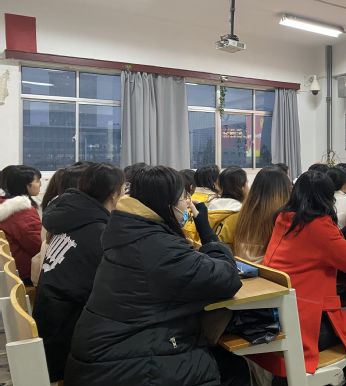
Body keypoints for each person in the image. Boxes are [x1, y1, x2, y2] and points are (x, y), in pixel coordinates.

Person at [64, 166, 242, 386]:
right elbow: (228, 279)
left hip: (105, 354)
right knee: (235, 368)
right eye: (183, 198)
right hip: (126, 365)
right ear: (167, 204)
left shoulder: (128, 231)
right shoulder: (159, 247)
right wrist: (207, 234)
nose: (188, 204)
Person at [254, 170, 346, 385]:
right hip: (304, 323)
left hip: (278, 316)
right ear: (327, 197)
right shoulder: (318, 225)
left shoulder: (284, 218)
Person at [33, 163, 125, 382]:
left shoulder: (70, 218)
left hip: (50, 325)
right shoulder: (100, 233)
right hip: (68, 342)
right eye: (124, 189)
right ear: (114, 194)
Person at [233, 166, 291, 263]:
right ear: (285, 192)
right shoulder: (284, 219)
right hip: (268, 270)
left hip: (241, 266)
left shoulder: (243, 213)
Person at [0, 165, 42, 284]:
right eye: (37, 181)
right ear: (26, 185)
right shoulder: (22, 211)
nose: (40, 184)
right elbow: (38, 246)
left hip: (11, 270)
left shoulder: (4, 204)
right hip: (25, 273)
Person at [207, 166, 248, 245]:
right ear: (242, 187)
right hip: (231, 252)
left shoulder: (211, 205)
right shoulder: (242, 212)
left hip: (210, 250)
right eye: (247, 183)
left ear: (220, 187)